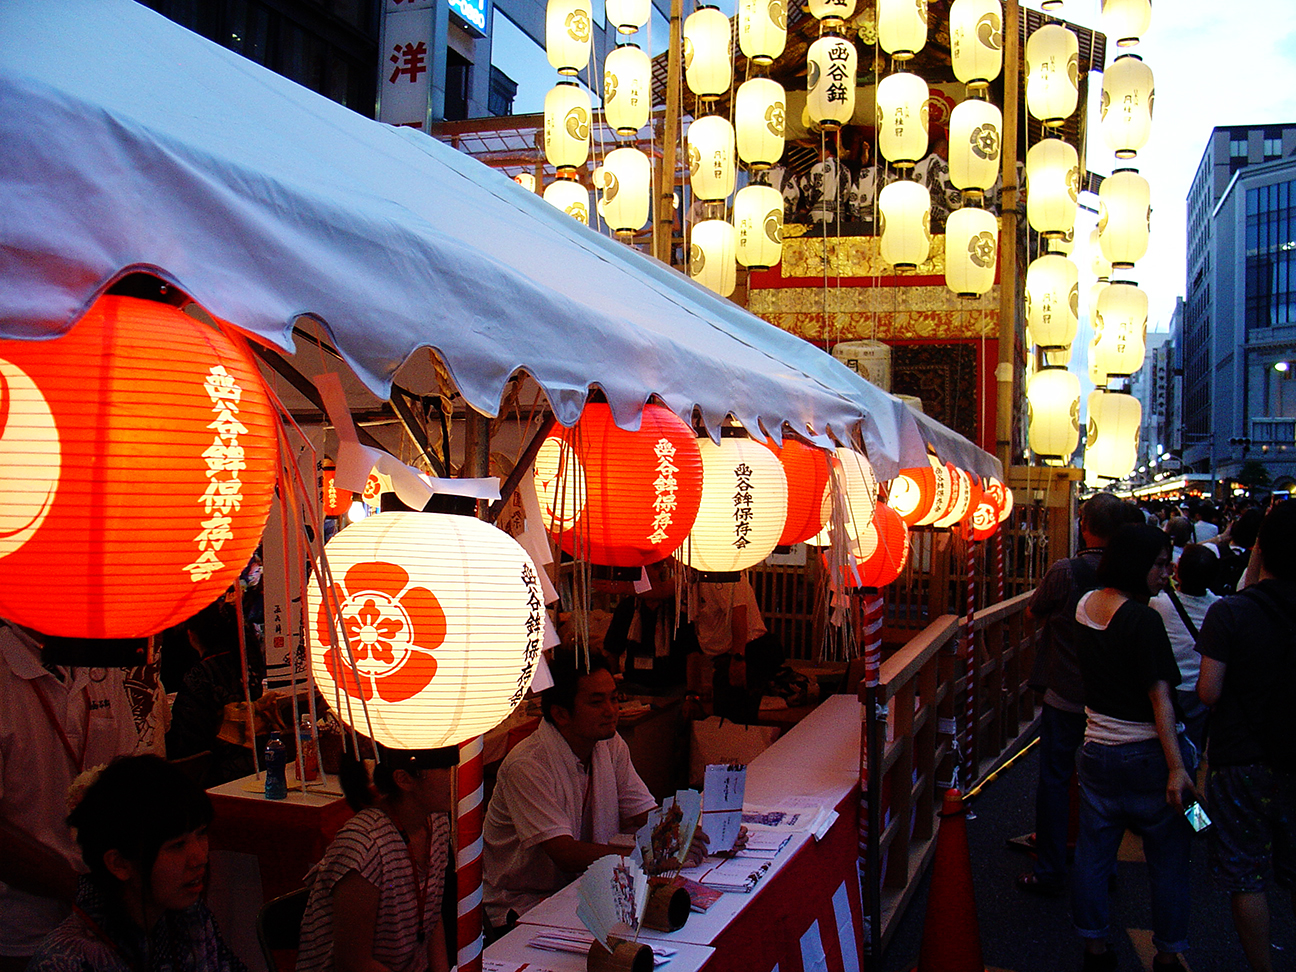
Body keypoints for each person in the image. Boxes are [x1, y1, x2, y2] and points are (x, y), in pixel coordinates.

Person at [1071, 524, 1196, 972]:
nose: (1167, 574)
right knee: (1169, 856)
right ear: (1136, 563)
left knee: (1093, 851)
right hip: (1147, 754)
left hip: (1096, 749)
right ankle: (1168, 949)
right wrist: (1177, 767)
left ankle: (1094, 946)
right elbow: (1160, 697)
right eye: (1160, 565)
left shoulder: (1086, 605)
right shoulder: (1143, 620)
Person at [0, 621, 143, 971]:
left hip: (108, 923)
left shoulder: (98, 658)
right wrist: (81, 889)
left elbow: (127, 773)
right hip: (23, 929)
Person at [482, 652, 658, 928]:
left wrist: (681, 833)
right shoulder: (528, 765)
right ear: (561, 714)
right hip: (523, 902)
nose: (611, 710)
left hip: (583, 888)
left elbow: (643, 811)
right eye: (596, 702)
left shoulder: (610, 744)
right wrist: (646, 855)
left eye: (614, 698)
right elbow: (564, 853)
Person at [26, 755, 245, 972]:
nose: (200, 858)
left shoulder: (190, 917)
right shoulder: (66, 961)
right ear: (119, 864)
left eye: (201, 834)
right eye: (177, 845)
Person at [1196, 500, 1296, 972]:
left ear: (1261, 550)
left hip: (1241, 759)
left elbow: (1209, 692)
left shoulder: (1231, 614)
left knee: (1246, 872)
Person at [1016, 493, 1126, 897]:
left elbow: (1033, 611)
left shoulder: (1066, 571)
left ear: (1085, 525)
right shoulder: (1129, 575)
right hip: (1112, 701)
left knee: (1055, 781)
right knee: (1104, 788)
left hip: (1065, 694)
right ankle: (1103, 868)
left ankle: (1049, 869)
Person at [296, 743, 455, 972]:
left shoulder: (436, 821)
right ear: (404, 779)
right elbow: (354, 963)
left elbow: (430, 908)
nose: (456, 775)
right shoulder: (363, 847)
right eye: (446, 768)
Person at [166, 598, 264, 787]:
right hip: (253, 761)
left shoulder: (201, 675)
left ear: (191, 635)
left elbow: (186, 741)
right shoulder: (244, 664)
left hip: (217, 772)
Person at [1149, 543, 1220, 752]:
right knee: (1193, 744)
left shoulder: (1159, 604)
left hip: (1169, 687)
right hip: (1199, 689)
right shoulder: (1218, 606)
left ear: (1177, 571)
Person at [689, 574, 782, 724]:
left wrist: (738, 659)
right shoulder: (693, 577)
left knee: (734, 726)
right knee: (726, 722)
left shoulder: (721, 571)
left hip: (744, 653)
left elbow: (738, 612)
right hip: (728, 657)